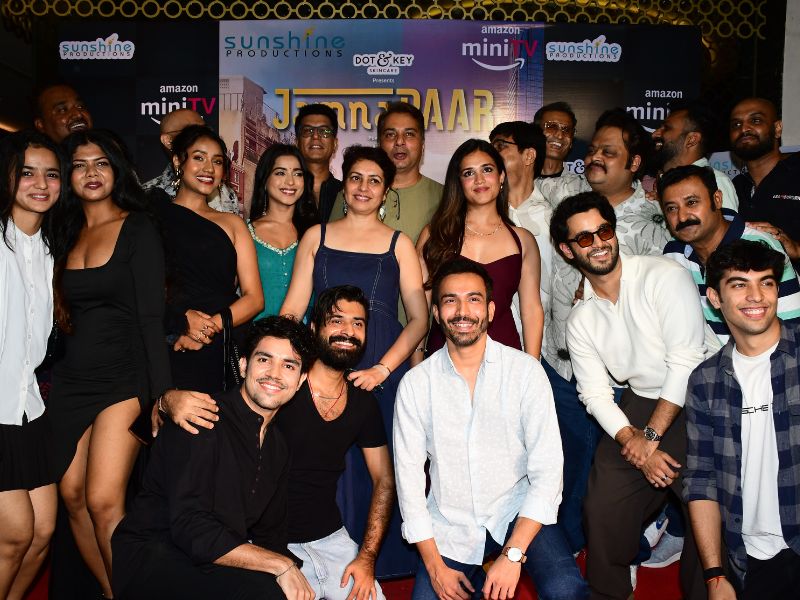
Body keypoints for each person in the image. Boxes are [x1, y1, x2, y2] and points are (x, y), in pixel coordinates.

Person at [394, 258, 587, 600]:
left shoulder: (525, 372)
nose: (462, 311)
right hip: (451, 520)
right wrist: (436, 568)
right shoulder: (416, 384)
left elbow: (547, 472)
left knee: (566, 590)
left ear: (491, 310)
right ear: (436, 313)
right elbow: (408, 484)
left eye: (474, 299)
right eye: (450, 300)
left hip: (515, 508)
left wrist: (512, 555)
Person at [551, 191, 708, 599]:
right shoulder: (581, 318)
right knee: (602, 503)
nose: (598, 243)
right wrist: (634, 441)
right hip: (640, 403)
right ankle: (609, 592)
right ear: (568, 250)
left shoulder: (664, 275)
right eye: (584, 238)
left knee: (706, 508)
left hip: (701, 399)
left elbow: (685, 363)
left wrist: (649, 439)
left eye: (604, 231)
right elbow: (594, 394)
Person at [282, 144, 427, 577]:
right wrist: (290, 363)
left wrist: (384, 368)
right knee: (327, 460)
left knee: (382, 464)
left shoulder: (400, 244)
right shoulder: (316, 236)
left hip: (383, 364)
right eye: (356, 178)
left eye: (374, 180)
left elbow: (420, 319)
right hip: (322, 364)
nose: (364, 187)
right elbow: (293, 310)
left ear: (386, 191)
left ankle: (380, 562)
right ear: (344, 184)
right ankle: (324, 558)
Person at [46, 129, 173, 598]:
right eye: (79, 165)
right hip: (71, 379)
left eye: (101, 163)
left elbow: (151, 319)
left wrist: (161, 395)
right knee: (72, 496)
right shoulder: (61, 233)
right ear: (67, 176)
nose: (91, 173)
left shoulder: (137, 228)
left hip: (123, 377)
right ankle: (114, 591)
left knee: (102, 499)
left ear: (116, 171)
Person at [111, 316, 318, 600]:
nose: (274, 373)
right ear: (243, 365)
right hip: (154, 556)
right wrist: (279, 565)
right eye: (264, 359)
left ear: (301, 380)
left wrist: (287, 570)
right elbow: (190, 528)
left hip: (210, 558)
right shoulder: (202, 415)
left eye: (289, 366)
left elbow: (272, 533)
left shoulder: (278, 447)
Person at [684, 240, 800, 600]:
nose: (756, 296)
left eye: (766, 282)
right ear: (714, 298)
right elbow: (701, 479)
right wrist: (715, 576)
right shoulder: (705, 381)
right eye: (739, 284)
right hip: (751, 556)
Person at [279, 286, 394, 600]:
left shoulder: (363, 403)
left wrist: (366, 557)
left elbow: (384, 478)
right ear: (314, 328)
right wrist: (168, 400)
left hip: (332, 541)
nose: (348, 331)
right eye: (337, 321)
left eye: (358, 323)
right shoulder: (283, 385)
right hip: (270, 543)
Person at [151, 124, 263, 393]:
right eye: (199, 157)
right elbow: (142, 288)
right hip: (169, 337)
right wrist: (181, 323)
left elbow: (254, 298)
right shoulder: (152, 216)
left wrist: (206, 328)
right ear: (178, 161)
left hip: (221, 341)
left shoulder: (233, 224)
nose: (209, 168)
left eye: (217, 161)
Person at [0, 130, 63, 600]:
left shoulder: (52, 249)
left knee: (42, 533)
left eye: (51, 174)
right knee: (17, 533)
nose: (41, 184)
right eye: (27, 172)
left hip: (29, 409)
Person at [418, 138, 544, 358]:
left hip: (506, 359)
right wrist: (417, 363)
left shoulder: (523, 240)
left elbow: (531, 311)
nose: (479, 179)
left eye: (487, 169)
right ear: (459, 182)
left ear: (501, 176)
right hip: (443, 359)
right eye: (469, 173)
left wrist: (533, 368)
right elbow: (420, 313)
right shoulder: (435, 234)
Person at [659, 165, 800, 349]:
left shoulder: (758, 244)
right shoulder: (674, 254)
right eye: (671, 208)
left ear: (717, 199)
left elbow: (792, 324)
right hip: (716, 361)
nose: (682, 217)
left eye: (692, 202)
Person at [248, 144, 319, 320]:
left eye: (298, 174)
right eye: (280, 173)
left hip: (305, 333)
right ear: (264, 179)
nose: (290, 182)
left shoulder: (316, 233)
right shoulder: (246, 232)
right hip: (256, 333)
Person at [729, 97, 800, 264]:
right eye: (736, 124)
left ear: (777, 129)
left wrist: (797, 249)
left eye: (756, 120)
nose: (744, 128)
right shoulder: (735, 187)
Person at [141, 108, 241, 215]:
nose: (201, 137)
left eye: (205, 131)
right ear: (168, 140)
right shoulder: (146, 195)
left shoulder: (227, 194)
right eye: (190, 131)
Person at [651, 100, 738, 211]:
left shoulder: (716, 181)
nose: (655, 134)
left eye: (666, 128)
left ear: (692, 139)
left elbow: (726, 223)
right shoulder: (662, 181)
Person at [295, 103, 342, 222]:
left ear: (335, 144)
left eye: (324, 131)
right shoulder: (285, 189)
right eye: (308, 131)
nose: (315, 136)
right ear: (296, 143)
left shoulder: (346, 193)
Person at [533, 101, 579, 179]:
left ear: (571, 142)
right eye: (552, 127)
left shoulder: (581, 185)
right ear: (535, 133)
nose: (560, 135)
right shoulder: (515, 181)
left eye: (567, 130)